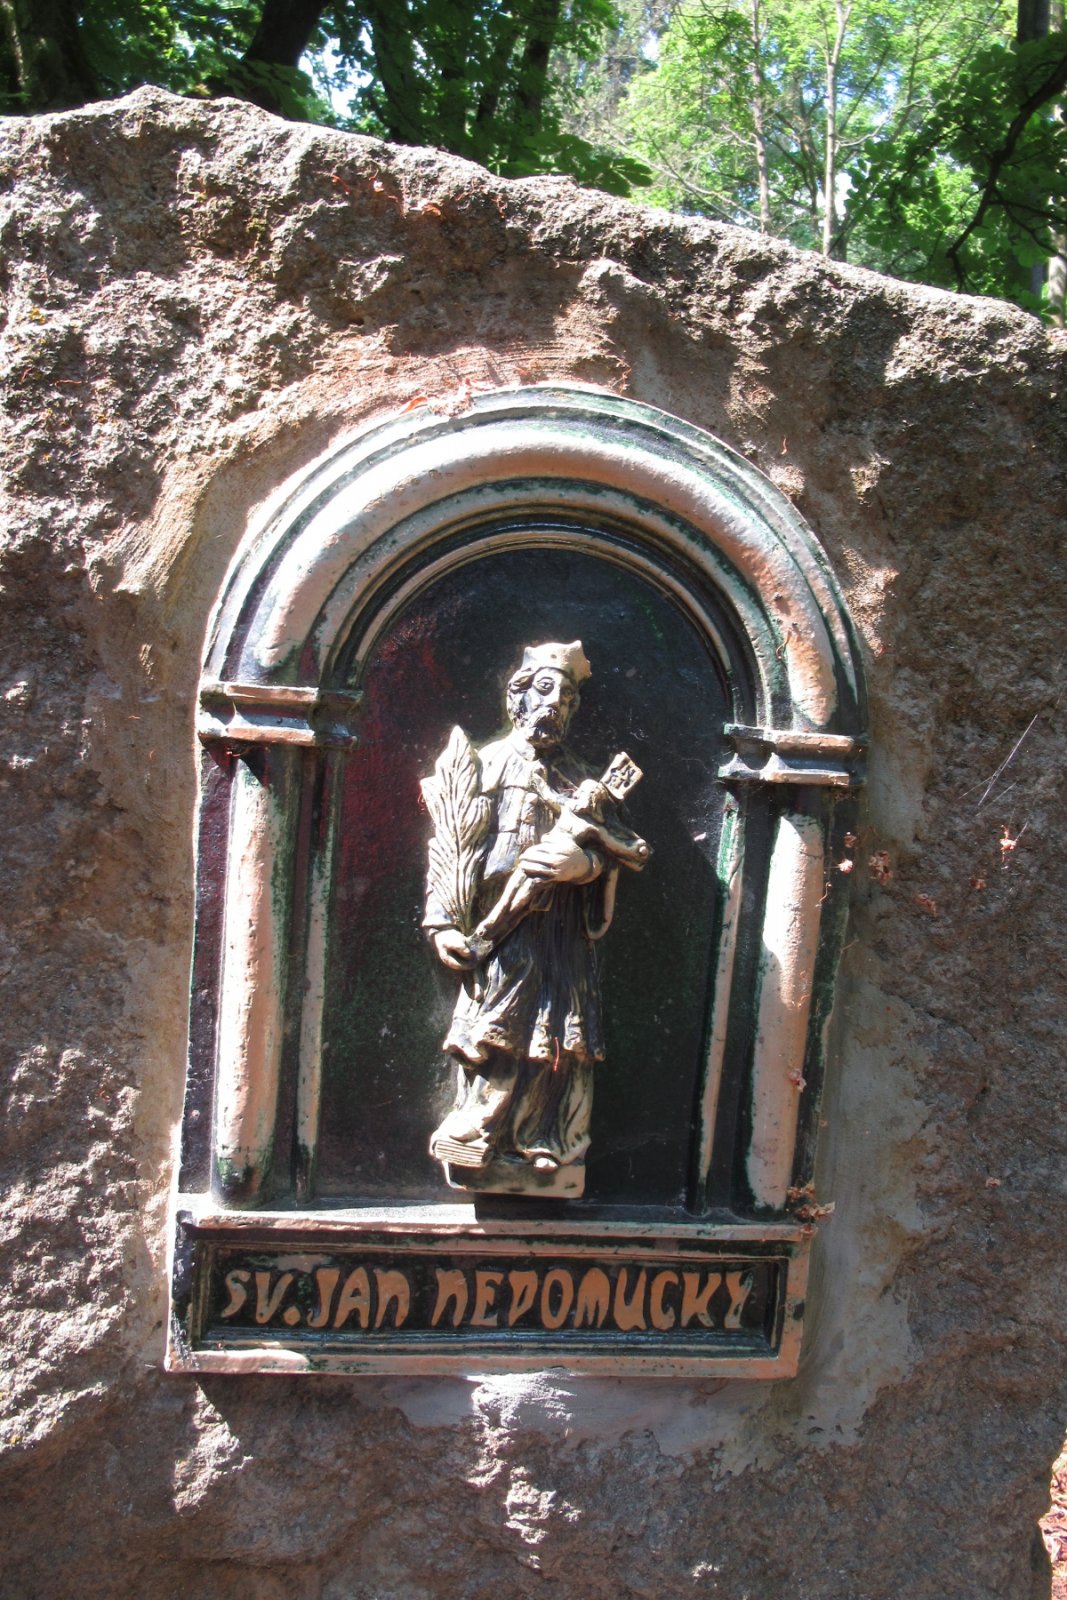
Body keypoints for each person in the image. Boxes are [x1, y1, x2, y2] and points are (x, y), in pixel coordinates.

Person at [422, 641, 648, 1197]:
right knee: (501, 1027)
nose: (555, 705)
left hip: (563, 930)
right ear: (518, 698)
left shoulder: (582, 779)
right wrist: (444, 923)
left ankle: (545, 1140)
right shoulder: (483, 766)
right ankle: (478, 1130)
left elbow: (612, 850)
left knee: (558, 1036)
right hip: (503, 930)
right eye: (544, 691)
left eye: (566, 698)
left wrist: (584, 868)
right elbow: (449, 845)